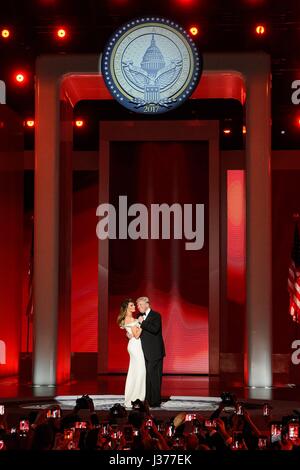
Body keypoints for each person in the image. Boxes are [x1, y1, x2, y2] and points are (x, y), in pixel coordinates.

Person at [136, 296, 165, 407]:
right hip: (145, 351)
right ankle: (148, 400)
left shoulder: (156, 315)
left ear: (147, 304)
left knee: (155, 376)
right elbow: (137, 331)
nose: (139, 307)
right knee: (148, 376)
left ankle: (156, 401)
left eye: (141, 305)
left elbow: (155, 329)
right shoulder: (139, 316)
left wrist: (143, 323)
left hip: (155, 351)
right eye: (138, 305)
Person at [117, 298, 146, 408]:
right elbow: (137, 335)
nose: (134, 307)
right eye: (131, 305)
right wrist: (142, 324)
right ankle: (136, 398)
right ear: (127, 308)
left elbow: (131, 333)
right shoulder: (129, 319)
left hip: (133, 345)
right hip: (135, 345)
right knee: (140, 371)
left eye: (134, 305)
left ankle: (132, 397)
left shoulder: (128, 318)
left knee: (134, 372)